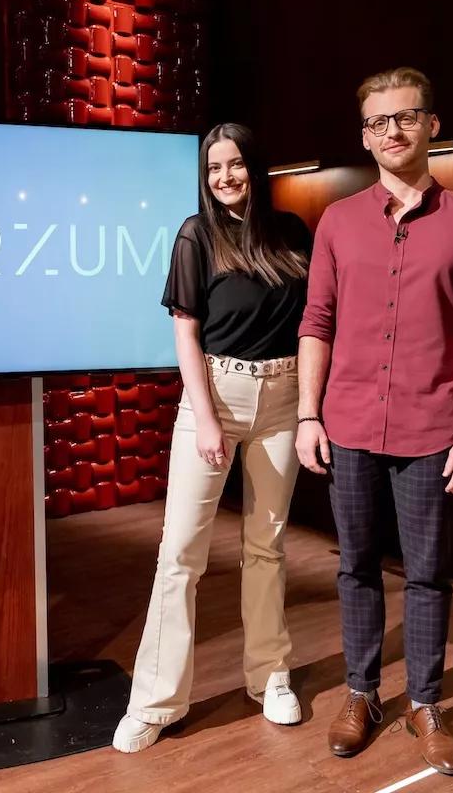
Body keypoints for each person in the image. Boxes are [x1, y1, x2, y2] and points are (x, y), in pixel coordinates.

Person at [296, 67, 453, 776]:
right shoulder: (337, 222)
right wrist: (307, 415)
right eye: (378, 121)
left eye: (406, 117)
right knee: (355, 567)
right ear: (364, 136)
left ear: (432, 125)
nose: (392, 131)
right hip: (349, 424)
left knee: (426, 576)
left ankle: (425, 703)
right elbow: (317, 322)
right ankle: (362, 693)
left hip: (432, 431)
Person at [112, 123, 313, 753]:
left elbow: (313, 324)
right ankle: (155, 702)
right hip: (217, 395)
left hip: (283, 396)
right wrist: (204, 417)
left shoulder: (291, 233)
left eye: (235, 164)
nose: (224, 177)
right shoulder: (196, 234)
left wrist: (311, 406)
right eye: (213, 168)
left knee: (267, 546)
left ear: (256, 166)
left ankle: (270, 676)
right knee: (180, 553)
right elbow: (186, 331)